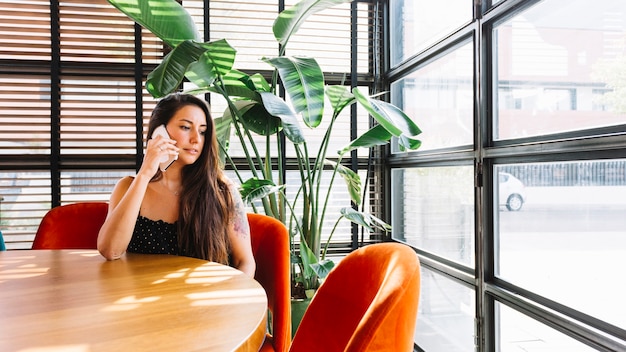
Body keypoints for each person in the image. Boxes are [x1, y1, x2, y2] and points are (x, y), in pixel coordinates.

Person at [97, 93, 255, 277]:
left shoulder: (222, 190)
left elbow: (245, 262)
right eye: (186, 127)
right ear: (159, 132)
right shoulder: (129, 187)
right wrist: (145, 174)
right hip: (143, 298)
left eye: (203, 131)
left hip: (206, 299)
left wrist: (234, 300)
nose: (196, 139)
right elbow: (110, 251)